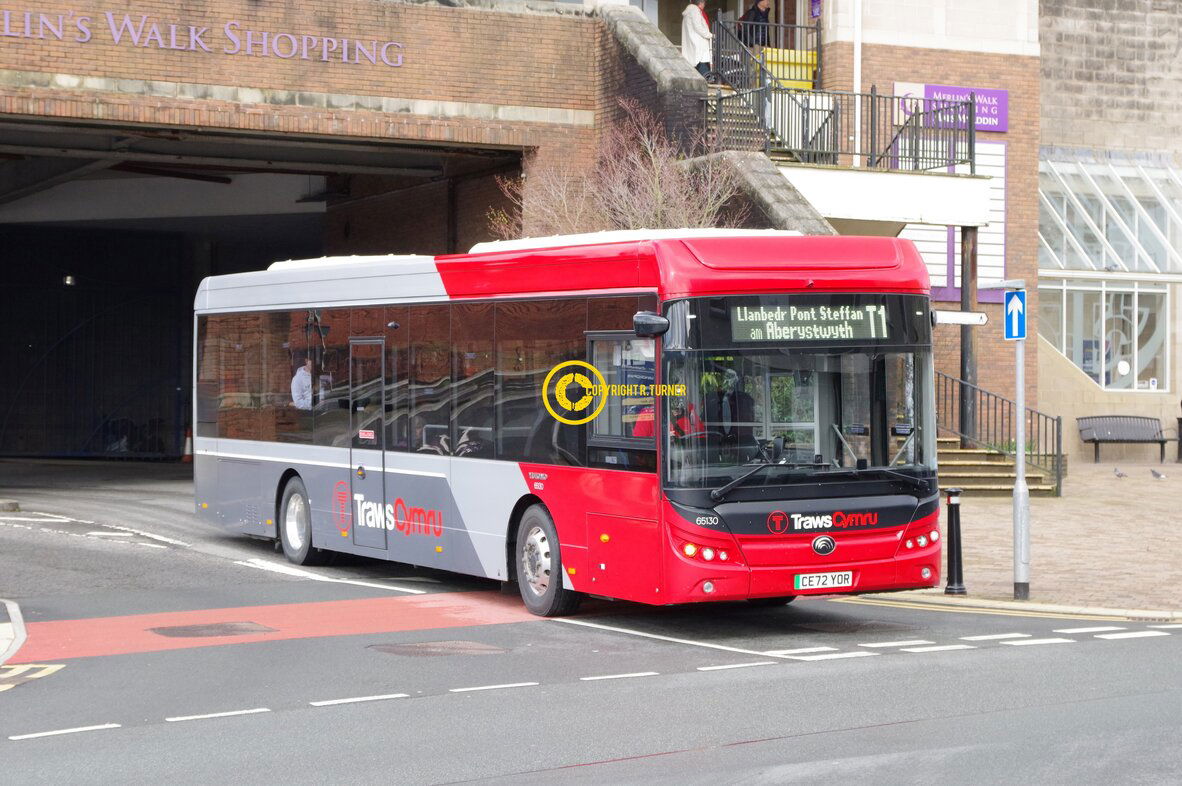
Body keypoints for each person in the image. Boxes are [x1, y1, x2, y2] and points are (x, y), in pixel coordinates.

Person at [704, 369, 754, 452]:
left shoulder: (744, 399)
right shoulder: (711, 398)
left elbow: (749, 419)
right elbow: (705, 418)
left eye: (731, 378)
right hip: (716, 441)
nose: (727, 381)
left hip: (739, 441)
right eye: (726, 378)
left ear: (736, 381)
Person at [681, 0, 713, 77]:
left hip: (694, 46)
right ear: (701, 3)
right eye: (704, 3)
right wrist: (710, 35)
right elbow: (698, 27)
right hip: (699, 47)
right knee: (704, 74)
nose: (704, 5)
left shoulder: (689, 11)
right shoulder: (695, 10)